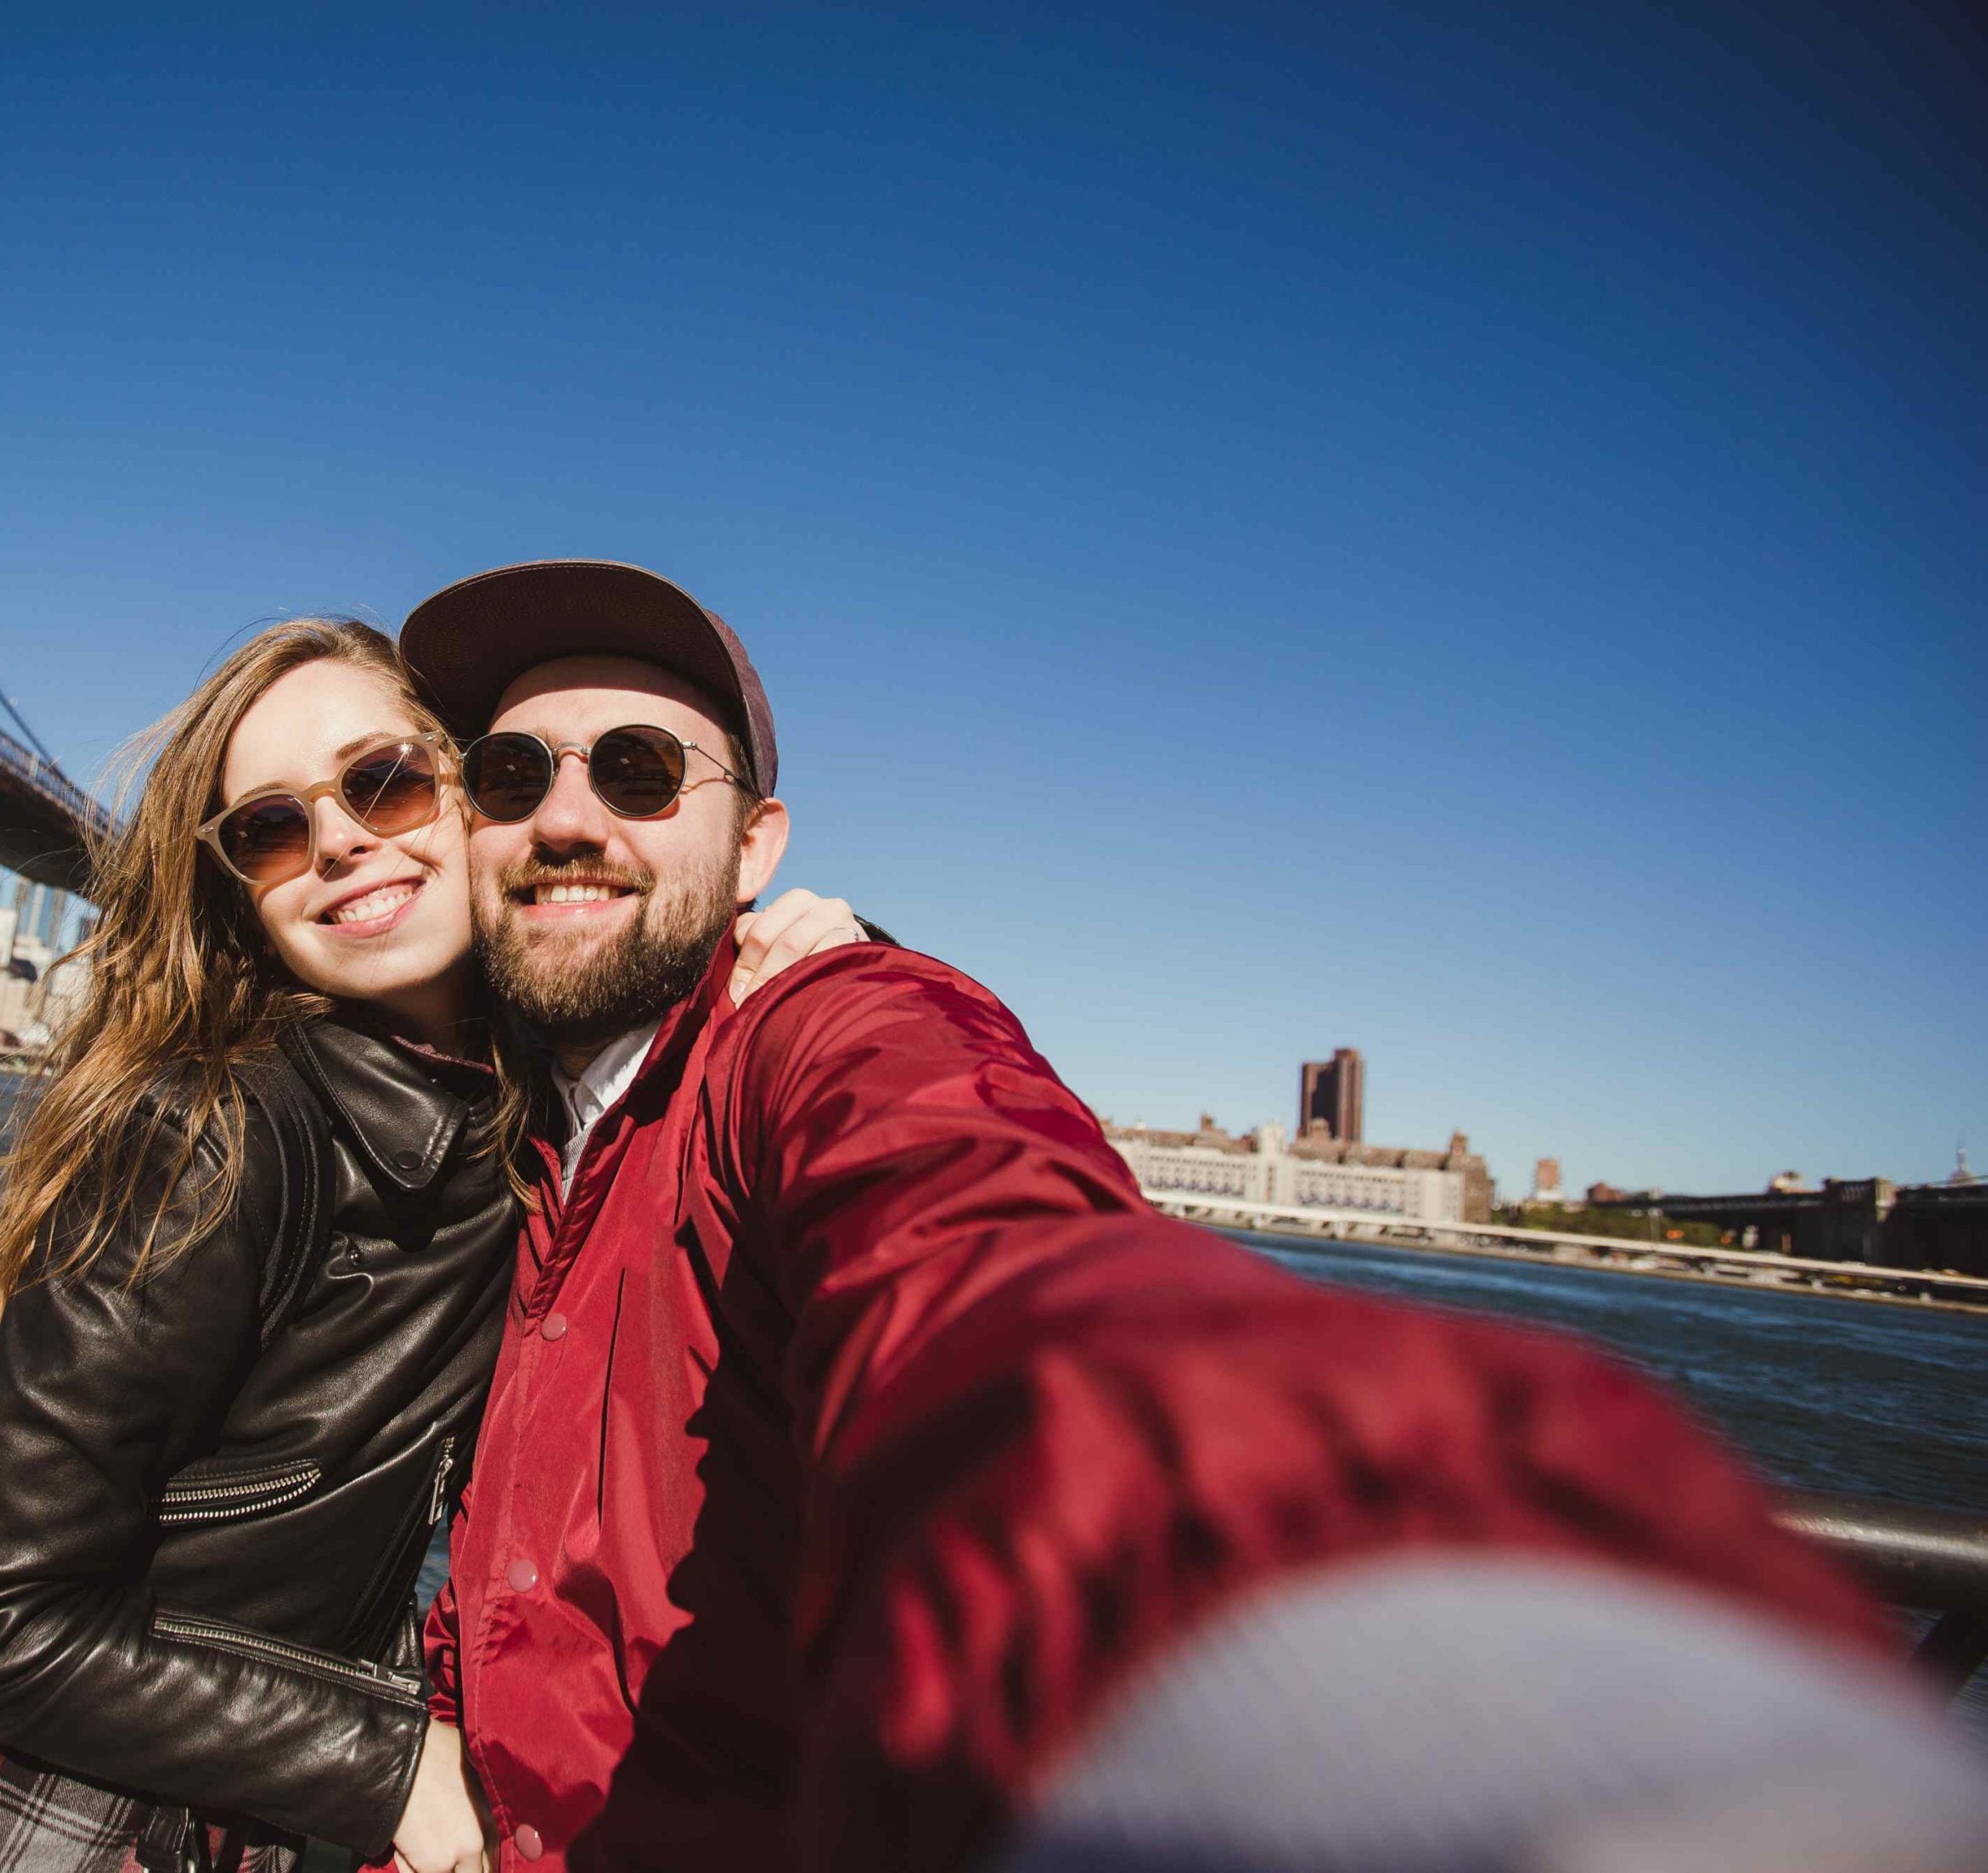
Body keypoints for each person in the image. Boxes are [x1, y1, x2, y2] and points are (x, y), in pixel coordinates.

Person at [396, 561, 1975, 1872]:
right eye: (515, 774)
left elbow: (983, 1247)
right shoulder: (524, 1125)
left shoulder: (827, 1031)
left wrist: (1336, 1615)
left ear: (757, 844)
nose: (568, 818)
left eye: (643, 770)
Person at [0, 616, 865, 1873]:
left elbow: (640, 935)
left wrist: (803, 961)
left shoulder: (515, 1093)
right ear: (246, 891)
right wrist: (392, 1766)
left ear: (482, 801)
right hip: (49, 1818)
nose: (342, 838)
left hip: (239, 1789)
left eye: (386, 782)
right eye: (272, 828)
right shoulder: (217, 1134)